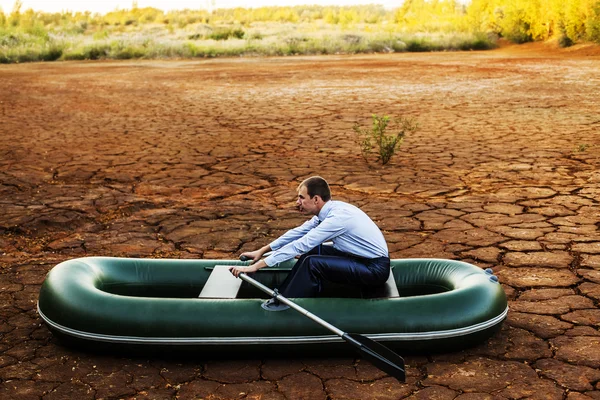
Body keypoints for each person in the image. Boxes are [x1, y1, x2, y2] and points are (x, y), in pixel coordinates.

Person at [229, 176, 390, 309]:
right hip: (358, 258)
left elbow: (301, 244)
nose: (297, 202)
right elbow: (297, 233)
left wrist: (255, 266)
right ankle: (307, 291)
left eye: (301, 197)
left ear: (316, 199)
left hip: (374, 269)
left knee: (311, 262)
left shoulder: (337, 218)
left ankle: (284, 302)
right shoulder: (328, 211)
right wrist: (262, 251)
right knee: (312, 252)